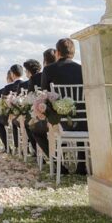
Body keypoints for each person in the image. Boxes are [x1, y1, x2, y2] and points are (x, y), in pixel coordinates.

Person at [36, 38, 86, 173]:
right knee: (78, 114)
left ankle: (58, 164)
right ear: (73, 53)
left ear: (57, 52)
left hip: (60, 122)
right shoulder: (82, 69)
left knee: (34, 128)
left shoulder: (49, 70)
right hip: (84, 121)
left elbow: (44, 95)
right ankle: (82, 166)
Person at [28, 49, 56, 156]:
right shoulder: (78, 68)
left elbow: (43, 95)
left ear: (44, 61)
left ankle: (53, 158)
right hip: (76, 118)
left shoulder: (46, 71)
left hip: (51, 118)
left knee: (34, 128)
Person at [0, 65, 24, 151]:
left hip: (12, 118)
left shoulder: (7, 88)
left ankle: (7, 147)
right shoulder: (27, 84)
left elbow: (2, 105)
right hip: (25, 116)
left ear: (12, 74)